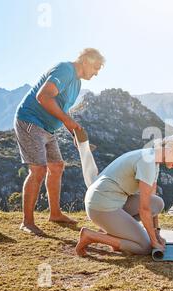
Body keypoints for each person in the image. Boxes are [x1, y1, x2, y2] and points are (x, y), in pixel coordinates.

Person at [14, 48, 105, 235]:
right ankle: (27, 222)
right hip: (31, 121)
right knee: (38, 169)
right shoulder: (65, 69)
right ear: (86, 61)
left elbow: (62, 108)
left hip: (48, 128)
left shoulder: (77, 83)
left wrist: (74, 133)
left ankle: (55, 214)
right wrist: (67, 121)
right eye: (96, 67)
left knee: (56, 166)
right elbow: (43, 96)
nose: (96, 73)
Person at [76, 134, 173, 257]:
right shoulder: (148, 162)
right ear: (170, 150)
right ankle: (90, 236)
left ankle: (115, 235)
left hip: (115, 200)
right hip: (100, 205)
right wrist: (153, 242)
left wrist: (156, 233)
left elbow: (150, 201)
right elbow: (144, 209)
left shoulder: (154, 161)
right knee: (144, 247)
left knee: (157, 203)